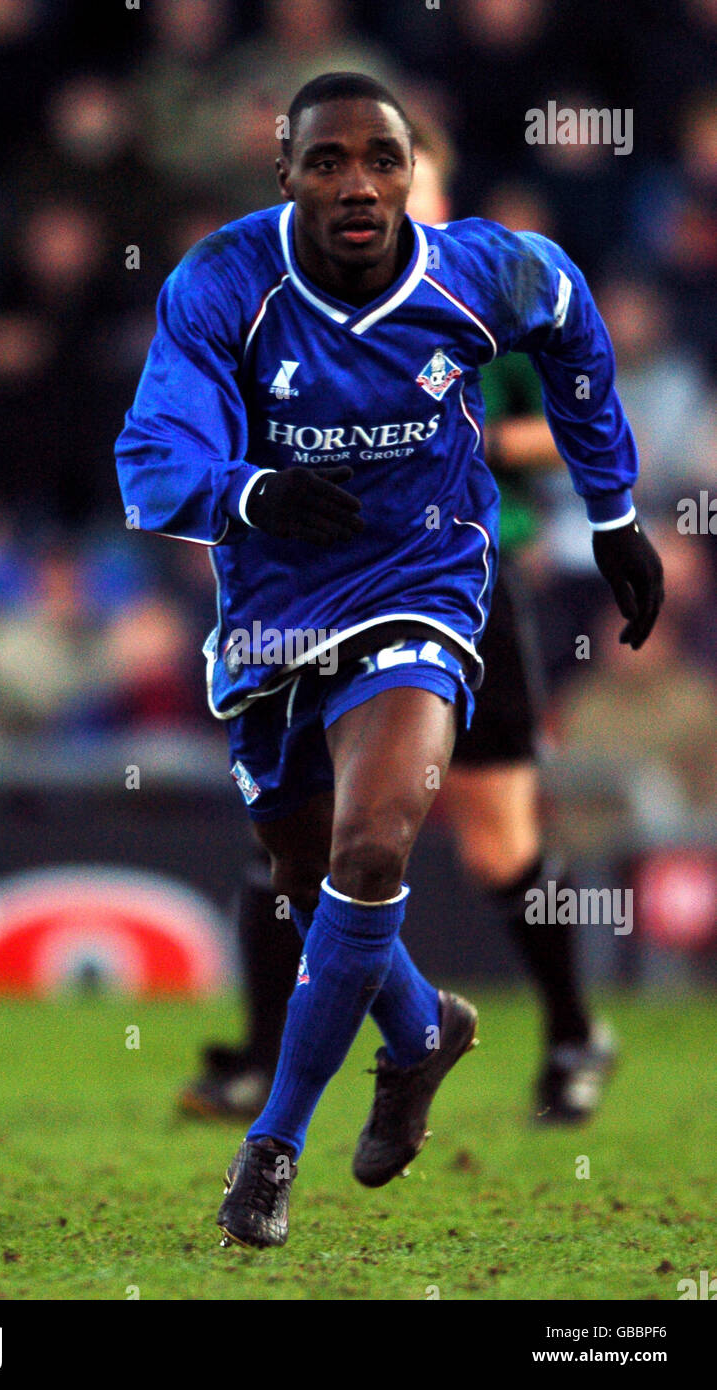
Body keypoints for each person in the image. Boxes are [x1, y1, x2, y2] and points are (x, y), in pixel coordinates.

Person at [115, 73, 664, 1250]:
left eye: (380, 159)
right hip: (272, 612)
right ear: (286, 177)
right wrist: (250, 487)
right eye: (327, 162)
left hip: (424, 585)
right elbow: (150, 459)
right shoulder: (222, 283)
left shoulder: (479, 273)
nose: (356, 184)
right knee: (303, 874)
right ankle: (418, 1031)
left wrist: (612, 514)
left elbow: (571, 327)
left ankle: (273, 1144)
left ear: (410, 171)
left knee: (375, 845)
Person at [178, 141, 623, 1132]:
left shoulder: (476, 296)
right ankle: (261, 1056)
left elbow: (574, 410)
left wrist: (457, 422)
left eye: (397, 175)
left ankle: (567, 1033)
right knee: (297, 832)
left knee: (496, 840)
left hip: (454, 580)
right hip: (320, 588)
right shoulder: (280, 300)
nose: (365, 197)